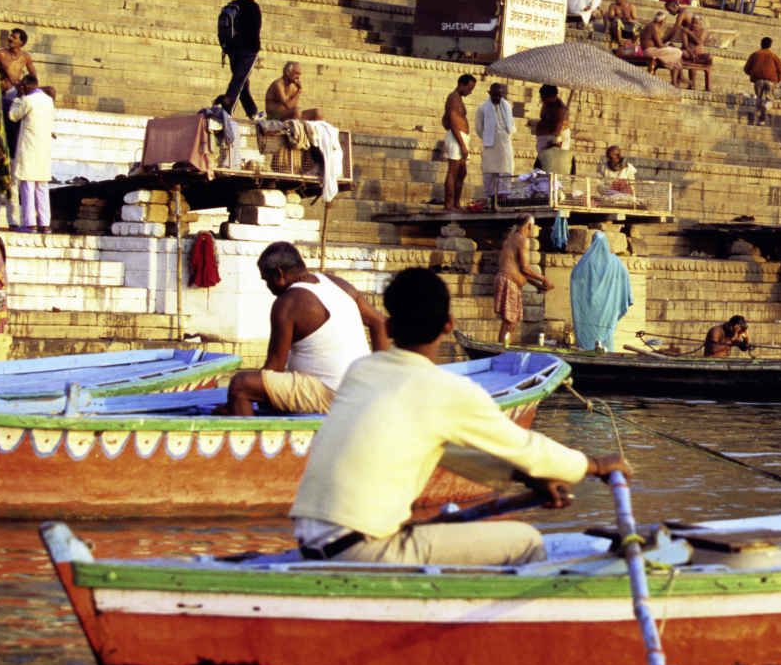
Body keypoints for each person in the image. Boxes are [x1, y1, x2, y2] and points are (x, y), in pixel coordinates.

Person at [289, 266, 628, 567]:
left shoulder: (361, 371)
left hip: (311, 540)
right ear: (449, 325)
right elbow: (527, 448)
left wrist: (523, 477)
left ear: (389, 326)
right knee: (525, 540)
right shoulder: (445, 389)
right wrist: (594, 466)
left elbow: (445, 450)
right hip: (361, 550)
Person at [222, 241, 389, 416]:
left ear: (279, 274)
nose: (268, 288)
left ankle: (249, 441)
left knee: (240, 386)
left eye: (267, 280)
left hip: (331, 394)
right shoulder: (337, 283)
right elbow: (380, 322)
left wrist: (232, 406)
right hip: (360, 388)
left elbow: (274, 368)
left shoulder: (288, 303)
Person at [8, 75, 54, 233]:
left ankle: (30, 224)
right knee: (42, 187)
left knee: (27, 186)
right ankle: (45, 223)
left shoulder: (28, 100)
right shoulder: (48, 100)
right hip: (43, 150)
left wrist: (18, 98)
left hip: (29, 149)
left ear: (27, 86)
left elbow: (13, 116)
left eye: (22, 86)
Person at [496, 215, 552, 344]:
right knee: (509, 322)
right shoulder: (522, 239)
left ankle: (504, 348)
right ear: (530, 226)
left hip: (508, 280)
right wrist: (544, 279)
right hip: (508, 281)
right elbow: (525, 268)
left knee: (511, 321)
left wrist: (537, 285)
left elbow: (519, 270)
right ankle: (503, 351)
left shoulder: (511, 237)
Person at [220, 0, 263, 119]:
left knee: (242, 81)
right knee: (239, 80)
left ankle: (252, 112)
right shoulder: (252, 7)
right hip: (248, 50)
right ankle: (227, 109)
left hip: (232, 50)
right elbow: (255, 29)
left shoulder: (234, 5)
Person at [0, 28, 35, 154]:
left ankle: (10, 154)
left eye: (14, 37)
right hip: (0, 94)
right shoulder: (0, 54)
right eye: (10, 36)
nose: (10, 38)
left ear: (21, 43)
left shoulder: (25, 57)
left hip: (15, 94)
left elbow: (33, 76)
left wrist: (25, 87)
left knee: (12, 128)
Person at [473, 82, 515, 201]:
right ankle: (490, 199)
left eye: (499, 95)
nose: (497, 98)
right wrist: (488, 137)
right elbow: (479, 128)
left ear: (502, 95)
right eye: (494, 95)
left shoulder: (507, 106)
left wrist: (502, 135)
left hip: (505, 144)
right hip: (490, 145)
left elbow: (511, 125)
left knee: (505, 171)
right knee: (489, 172)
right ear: (490, 93)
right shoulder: (482, 108)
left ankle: (503, 200)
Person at [439, 75, 476, 210]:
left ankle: (456, 203)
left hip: (460, 137)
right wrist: (462, 144)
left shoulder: (457, 98)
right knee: (453, 172)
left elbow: (444, 120)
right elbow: (453, 121)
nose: (470, 92)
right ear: (461, 84)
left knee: (462, 172)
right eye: (469, 88)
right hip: (457, 138)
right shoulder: (453, 98)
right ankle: (449, 204)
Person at [742, 37, 781, 126]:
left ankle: (759, 120)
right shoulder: (773, 56)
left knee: (759, 99)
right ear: (770, 45)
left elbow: (746, 69)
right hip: (770, 81)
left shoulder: (755, 54)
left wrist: (753, 74)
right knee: (769, 99)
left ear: (761, 44)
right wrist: (777, 80)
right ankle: (764, 113)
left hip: (758, 81)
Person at [533, 84, 571, 171]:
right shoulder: (547, 104)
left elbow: (557, 130)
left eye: (543, 97)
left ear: (552, 96)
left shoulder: (560, 109)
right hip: (545, 142)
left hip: (553, 144)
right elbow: (543, 118)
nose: (542, 100)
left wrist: (552, 145)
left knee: (548, 169)